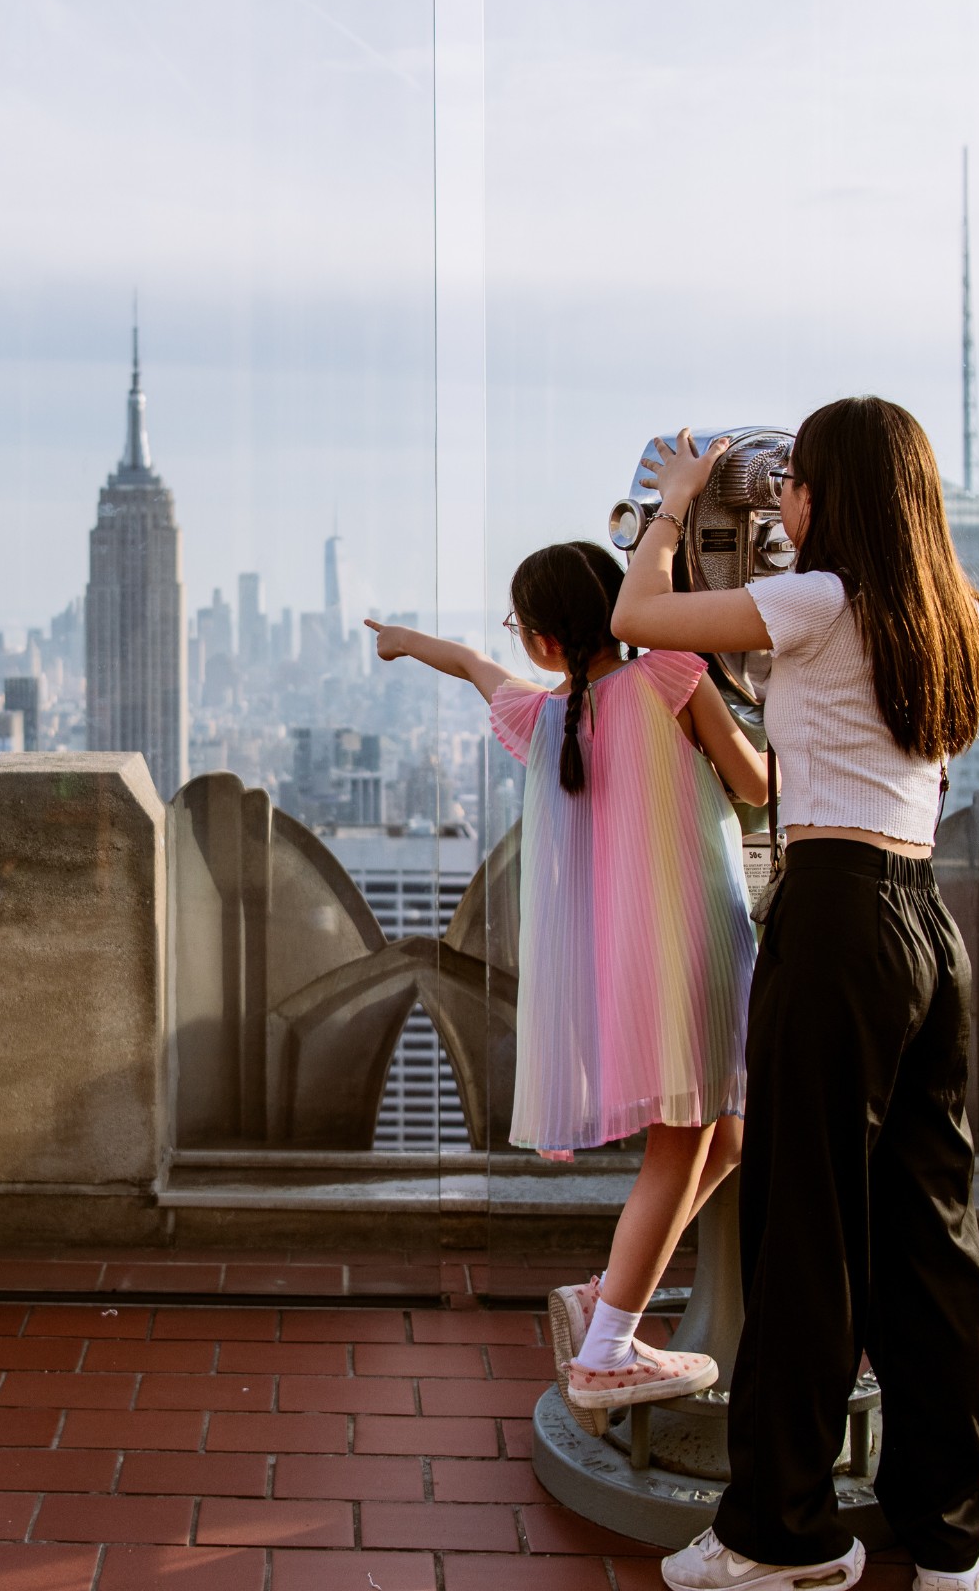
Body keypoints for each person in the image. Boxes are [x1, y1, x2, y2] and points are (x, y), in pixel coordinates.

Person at [621, 401, 979, 1591]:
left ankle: (782, 1536)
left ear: (834, 493)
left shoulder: (819, 600)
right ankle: (951, 1530)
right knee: (929, 1239)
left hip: (835, 920)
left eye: (795, 487)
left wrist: (675, 503)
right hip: (926, 927)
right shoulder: (947, 613)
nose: (780, 510)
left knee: (808, 1235)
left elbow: (637, 617)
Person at [366, 540, 768, 1423]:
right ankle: (608, 1350)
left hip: (628, 968)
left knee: (729, 1138)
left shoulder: (546, 719)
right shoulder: (672, 674)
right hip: (694, 947)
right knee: (685, 1140)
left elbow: (473, 666)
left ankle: (607, 1294)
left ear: (544, 640)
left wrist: (401, 641)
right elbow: (756, 785)